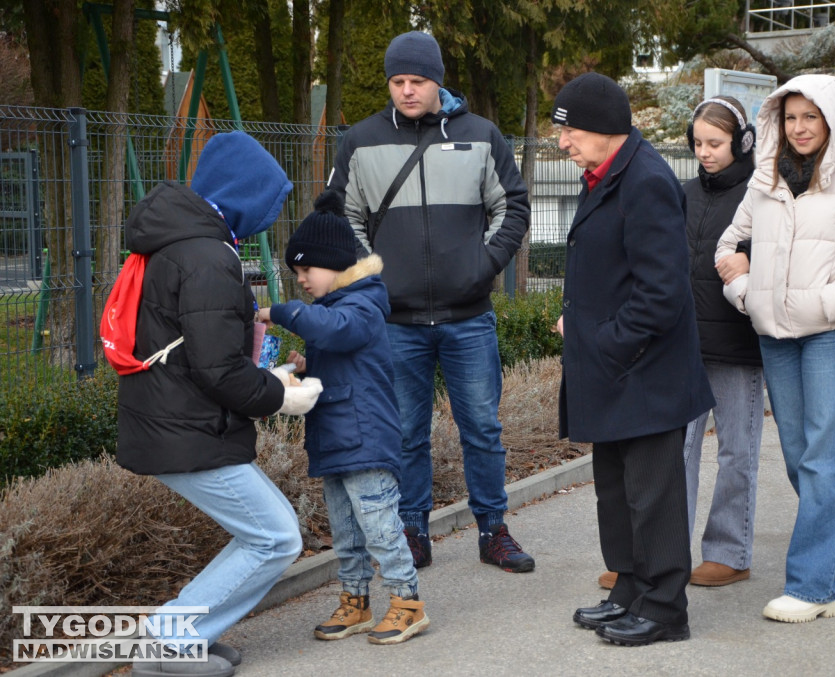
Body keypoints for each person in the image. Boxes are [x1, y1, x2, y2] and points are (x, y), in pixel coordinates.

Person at [116, 131, 321, 677]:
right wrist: (281, 394)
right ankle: (167, 641)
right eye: (268, 203)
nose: (269, 216)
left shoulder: (180, 242)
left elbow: (205, 352)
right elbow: (216, 367)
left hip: (173, 420)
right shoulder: (208, 256)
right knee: (276, 537)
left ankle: (184, 635)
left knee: (266, 532)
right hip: (187, 427)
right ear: (243, 193)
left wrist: (266, 377)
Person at [327, 31, 533, 573]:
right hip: (396, 322)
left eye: (417, 81)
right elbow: (341, 218)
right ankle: (413, 531)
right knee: (404, 433)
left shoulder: (482, 135)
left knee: (483, 430)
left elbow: (512, 207)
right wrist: (374, 278)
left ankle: (494, 530)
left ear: (437, 80)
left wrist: (482, 267)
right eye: (397, 81)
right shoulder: (360, 141)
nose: (407, 91)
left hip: (468, 318)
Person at [716, 74, 835, 623]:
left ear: (832, 120)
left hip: (831, 335)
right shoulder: (764, 180)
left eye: (812, 117)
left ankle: (814, 588)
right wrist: (746, 292)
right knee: (802, 459)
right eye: (791, 117)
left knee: (824, 457)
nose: (800, 128)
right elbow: (730, 247)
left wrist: (829, 303)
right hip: (775, 335)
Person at [554, 72, 715, 646]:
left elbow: (662, 293)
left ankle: (666, 607)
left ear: (602, 128)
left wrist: (606, 342)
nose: (563, 142)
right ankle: (629, 586)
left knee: (655, 495)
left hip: (645, 373)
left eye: (569, 131)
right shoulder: (603, 174)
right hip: (614, 370)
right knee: (616, 490)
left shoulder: (644, 179)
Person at [258, 191, 430, 644]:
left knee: (379, 524)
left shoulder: (362, 304)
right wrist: (307, 366)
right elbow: (340, 353)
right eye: (295, 274)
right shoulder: (338, 306)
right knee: (346, 529)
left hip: (365, 437)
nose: (301, 281)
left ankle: (406, 601)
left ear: (334, 264)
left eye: (304, 271)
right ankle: (356, 600)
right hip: (335, 436)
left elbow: (336, 331)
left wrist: (280, 312)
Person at [682, 97, 765, 586]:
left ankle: (730, 553)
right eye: (698, 143)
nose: (705, 152)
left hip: (739, 346)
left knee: (737, 451)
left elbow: (782, 248)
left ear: (742, 141)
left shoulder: (762, 192)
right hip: (684, 346)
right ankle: (664, 553)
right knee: (676, 452)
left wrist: (752, 260)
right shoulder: (682, 192)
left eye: (715, 143)